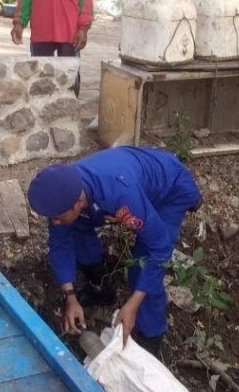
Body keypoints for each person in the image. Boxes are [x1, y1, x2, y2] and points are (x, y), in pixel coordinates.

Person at [27, 146, 202, 356]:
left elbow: (159, 247)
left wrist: (132, 305)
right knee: (73, 229)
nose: (54, 222)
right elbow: (60, 244)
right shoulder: (65, 192)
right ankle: (100, 288)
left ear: (78, 202)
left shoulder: (119, 194)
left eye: (57, 217)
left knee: (142, 266)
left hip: (169, 191)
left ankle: (150, 338)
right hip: (130, 181)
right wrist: (70, 297)